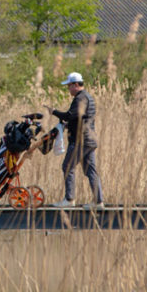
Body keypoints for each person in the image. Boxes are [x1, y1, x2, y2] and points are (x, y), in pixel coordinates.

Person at [49, 72, 104, 209]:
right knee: (91, 171)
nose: (68, 89)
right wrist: (68, 125)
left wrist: (54, 111)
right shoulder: (86, 97)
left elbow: (69, 115)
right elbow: (79, 118)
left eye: (69, 86)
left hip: (81, 140)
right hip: (90, 140)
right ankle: (98, 202)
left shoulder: (81, 98)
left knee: (67, 166)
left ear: (75, 85)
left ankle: (69, 199)